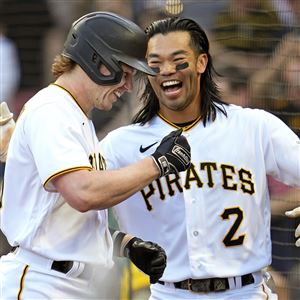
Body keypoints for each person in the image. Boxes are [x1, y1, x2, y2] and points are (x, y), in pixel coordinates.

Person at [97, 17, 300, 299]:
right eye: (155, 63)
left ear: (201, 63)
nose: (166, 70)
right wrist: (123, 244)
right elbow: (73, 206)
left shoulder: (254, 126)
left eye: (178, 60)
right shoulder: (120, 146)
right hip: (168, 293)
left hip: (246, 291)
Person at [0, 12, 192, 299]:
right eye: (125, 73)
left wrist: (123, 243)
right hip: (43, 283)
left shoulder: (76, 117)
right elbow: (82, 193)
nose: (128, 86)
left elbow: (61, 217)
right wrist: (156, 164)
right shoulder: (52, 110)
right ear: (97, 62)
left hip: (71, 282)